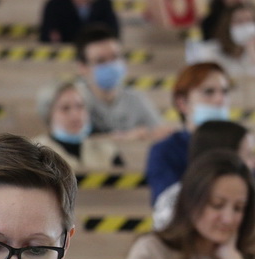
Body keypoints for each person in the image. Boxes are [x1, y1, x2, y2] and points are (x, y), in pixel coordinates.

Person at [111, 151, 255, 259]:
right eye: (217, 205)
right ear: (191, 202)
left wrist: (232, 257)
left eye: (238, 208)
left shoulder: (244, 253)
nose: (228, 219)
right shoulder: (153, 248)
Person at [145, 62, 232, 204]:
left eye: (225, 92)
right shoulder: (165, 151)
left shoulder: (238, 147)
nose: (220, 99)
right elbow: (167, 207)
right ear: (182, 103)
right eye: (209, 92)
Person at [152, 121, 255, 230]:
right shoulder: (175, 201)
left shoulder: (247, 194)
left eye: (238, 208)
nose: (252, 163)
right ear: (223, 156)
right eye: (247, 155)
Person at [74, 24, 167, 142]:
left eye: (115, 57)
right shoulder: (74, 100)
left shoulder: (136, 99)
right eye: (100, 61)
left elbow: (161, 133)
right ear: (82, 67)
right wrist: (124, 138)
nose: (110, 65)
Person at [33, 81, 123, 172]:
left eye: (80, 106)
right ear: (48, 114)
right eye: (65, 108)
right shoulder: (35, 151)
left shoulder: (106, 150)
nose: (75, 115)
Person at [193, 2, 255, 77]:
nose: (245, 26)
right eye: (239, 21)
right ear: (227, 25)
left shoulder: (251, 50)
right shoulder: (210, 51)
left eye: (249, 20)